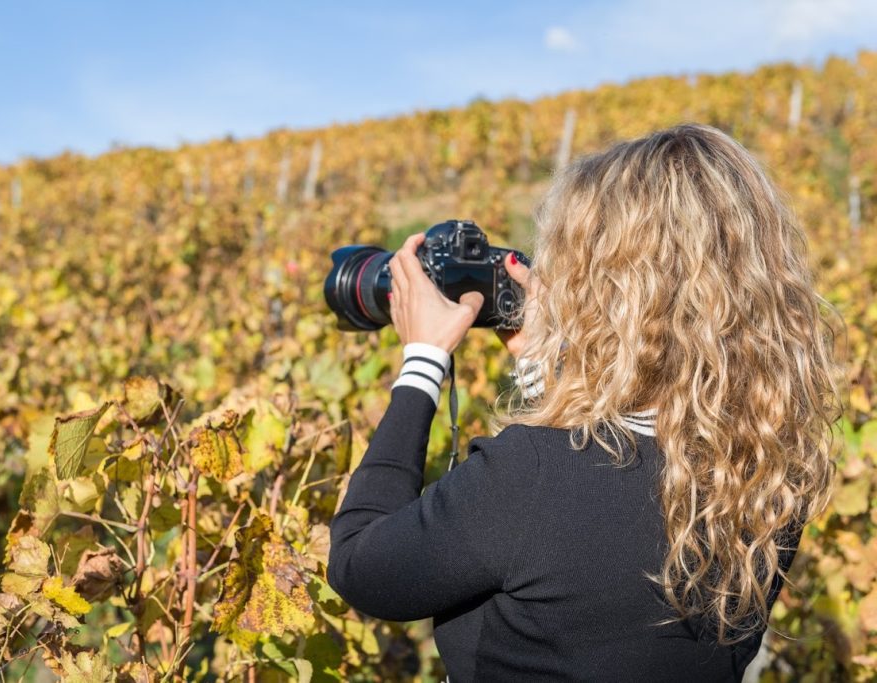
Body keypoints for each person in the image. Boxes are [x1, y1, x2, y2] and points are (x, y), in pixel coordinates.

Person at [327, 123, 840, 682]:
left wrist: (424, 359)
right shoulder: (770, 475)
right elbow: (600, 549)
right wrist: (542, 374)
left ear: (606, 291)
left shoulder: (531, 475)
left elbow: (360, 566)